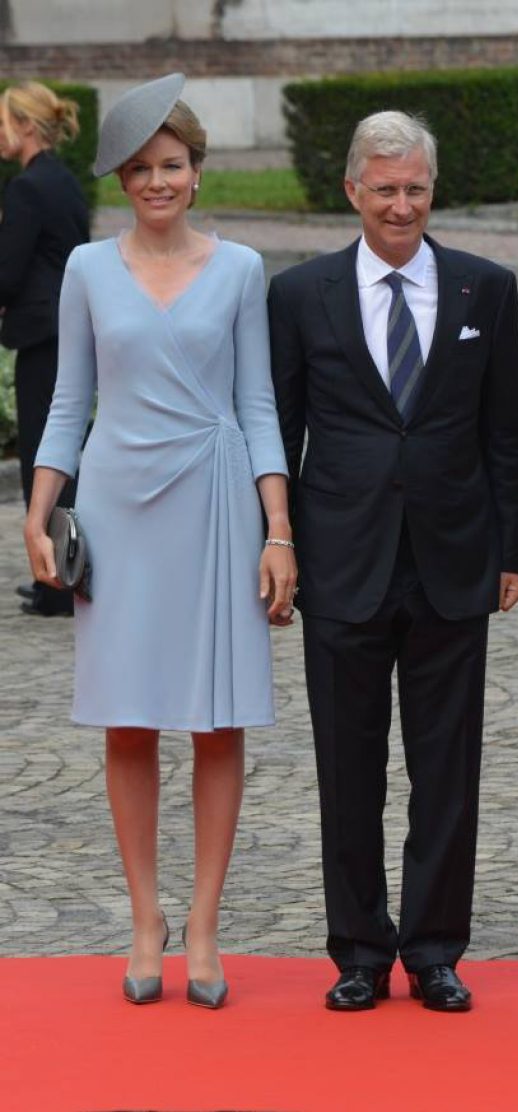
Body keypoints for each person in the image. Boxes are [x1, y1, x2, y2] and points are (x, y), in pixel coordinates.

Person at [23, 74, 296, 1009]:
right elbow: (66, 401)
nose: (157, 182)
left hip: (217, 503)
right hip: (119, 510)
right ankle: (146, 920)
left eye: (171, 165)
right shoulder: (88, 270)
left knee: (217, 723)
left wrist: (279, 530)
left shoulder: (243, 269)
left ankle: (207, 927)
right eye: (140, 169)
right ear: (122, 179)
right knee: (129, 717)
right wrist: (37, 508)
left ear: (196, 170)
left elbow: (258, 405)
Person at [269, 110, 518, 1013]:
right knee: (348, 767)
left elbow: (506, 431)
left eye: (415, 188)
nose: (401, 206)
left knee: (446, 767)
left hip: (454, 560)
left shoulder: (484, 289)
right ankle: (357, 951)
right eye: (384, 190)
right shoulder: (301, 294)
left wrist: (512, 550)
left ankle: (433, 949)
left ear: (432, 189)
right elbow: (283, 428)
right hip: (341, 563)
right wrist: (281, 545)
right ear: (353, 192)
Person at [0, 81, 89, 617]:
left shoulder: (27, 188)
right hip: (65, 328)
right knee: (63, 453)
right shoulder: (65, 182)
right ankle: (62, 574)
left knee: (46, 456)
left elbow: (10, 273)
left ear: (26, 126)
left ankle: (56, 583)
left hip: (40, 333)